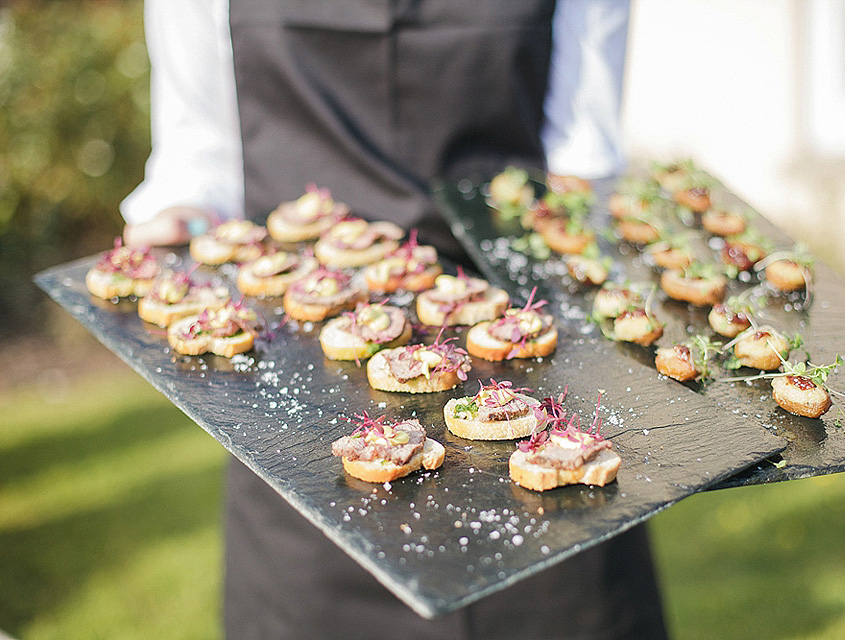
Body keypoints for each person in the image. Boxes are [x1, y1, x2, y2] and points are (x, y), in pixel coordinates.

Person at [122, 1, 669, 638]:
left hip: (534, 372)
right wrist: (181, 218)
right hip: (295, 397)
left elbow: (582, 147)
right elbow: (202, 150)